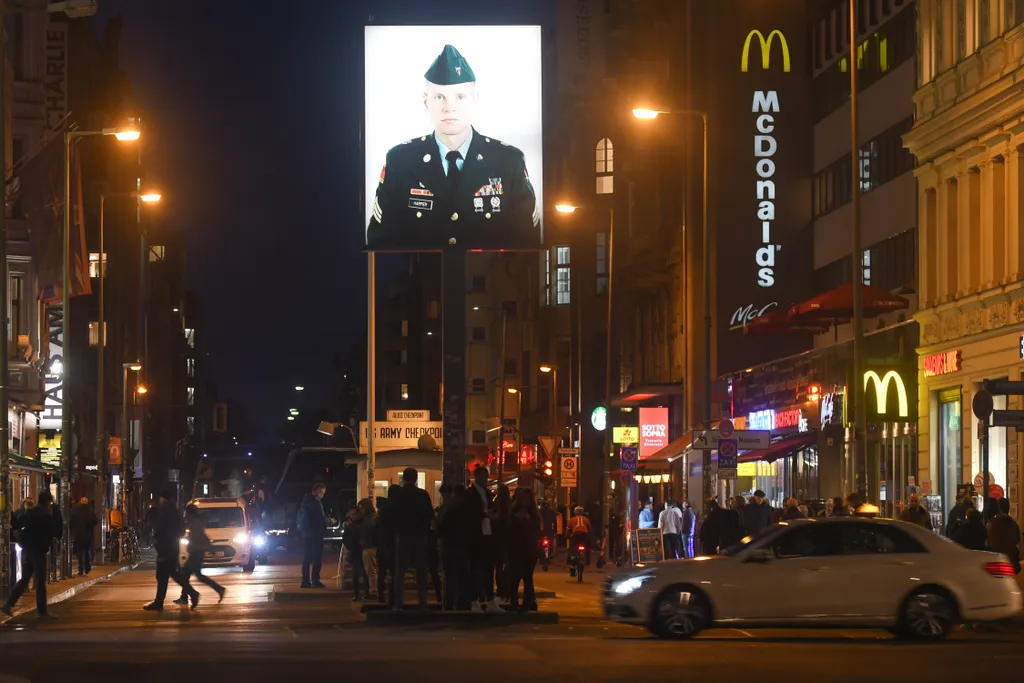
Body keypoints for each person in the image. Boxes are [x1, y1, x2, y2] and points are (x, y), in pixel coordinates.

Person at [366, 44, 540, 250]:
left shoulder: (508, 161)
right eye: (440, 97)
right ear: (425, 102)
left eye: (460, 97)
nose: (449, 107)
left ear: (475, 100)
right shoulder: (400, 161)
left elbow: (527, 244)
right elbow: (380, 246)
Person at [2, 491, 61, 619]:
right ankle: (42, 611)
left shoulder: (31, 512)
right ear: (47, 502)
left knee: (25, 579)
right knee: (40, 582)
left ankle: (9, 603)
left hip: (28, 549)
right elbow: (54, 529)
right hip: (39, 551)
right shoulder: (45, 515)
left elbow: (19, 524)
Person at [460, 466, 504, 613]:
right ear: (476, 478)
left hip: (487, 534)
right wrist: (485, 514)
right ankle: (474, 601)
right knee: (475, 569)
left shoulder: (487, 493)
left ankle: (489, 600)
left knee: (488, 569)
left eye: (486, 477)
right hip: (475, 536)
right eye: (482, 478)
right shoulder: (470, 494)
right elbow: (468, 514)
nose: (485, 480)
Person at [389, 467, 434, 610]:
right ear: (415, 479)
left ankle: (398, 603)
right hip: (419, 536)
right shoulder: (422, 495)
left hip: (402, 535)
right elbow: (429, 515)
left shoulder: (398, 495)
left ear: (403, 478)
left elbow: (392, 515)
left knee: (400, 571)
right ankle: (423, 602)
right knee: (421, 571)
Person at [143, 490, 193, 612]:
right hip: (171, 546)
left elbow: (161, 529)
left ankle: (160, 601)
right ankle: (159, 601)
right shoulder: (174, 510)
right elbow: (180, 529)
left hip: (166, 547)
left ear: (163, 498)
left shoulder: (166, 510)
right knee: (167, 575)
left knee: (165, 575)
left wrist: (159, 541)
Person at [175, 504, 225, 608]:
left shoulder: (195, 523)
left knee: (186, 575)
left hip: (196, 553)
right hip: (196, 553)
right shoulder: (195, 523)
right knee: (188, 575)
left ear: (189, 514)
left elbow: (202, 538)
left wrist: (211, 551)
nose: (185, 515)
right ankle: (185, 597)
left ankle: (193, 595)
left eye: (186, 513)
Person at [506, 488, 541, 612]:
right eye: (524, 498)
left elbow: (537, 531)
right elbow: (509, 529)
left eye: (528, 499)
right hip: (515, 548)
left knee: (527, 577)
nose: (525, 501)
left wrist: (527, 521)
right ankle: (514, 601)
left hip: (529, 550)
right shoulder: (514, 512)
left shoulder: (534, 514)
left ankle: (527, 602)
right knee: (515, 577)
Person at [298, 483, 328, 589]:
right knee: (317, 557)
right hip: (316, 534)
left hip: (306, 533)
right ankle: (315, 580)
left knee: (306, 558)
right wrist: (329, 521)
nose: (322, 495)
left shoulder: (305, 501)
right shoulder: (316, 503)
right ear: (317, 491)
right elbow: (321, 518)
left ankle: (305, 581)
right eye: (322, 493)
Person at [358, 498, 380, 601]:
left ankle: (373, 592)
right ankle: (372, 591)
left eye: (362, 508)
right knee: (370, 571)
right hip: (367, 546)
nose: (361, 510)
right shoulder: (368, 518)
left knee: (371, 571)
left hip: (370, 547)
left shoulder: (372, 518)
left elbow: (371, 531)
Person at [70, 497, 98, 576]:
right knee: (86, 551)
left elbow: (71, 521)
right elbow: (95, 521)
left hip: (78, 534)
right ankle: (87, 567)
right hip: (87, 534)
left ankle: (81, 569)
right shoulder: (90, 510)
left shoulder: (75, 510)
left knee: (79, 552)